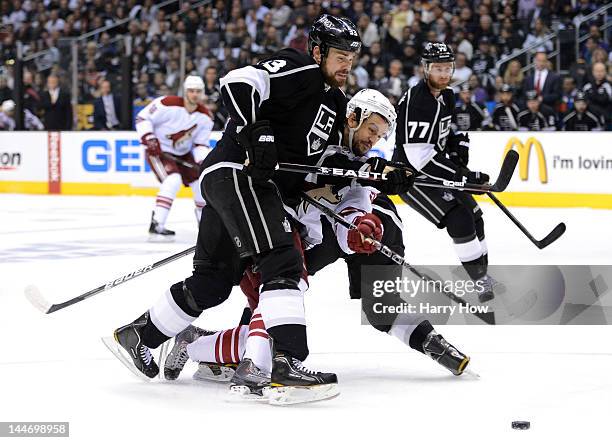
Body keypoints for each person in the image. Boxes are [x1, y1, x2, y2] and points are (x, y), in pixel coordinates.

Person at [105, 15, 408, 405]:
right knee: (283, 262)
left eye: (352, 55)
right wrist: (255, 131)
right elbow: (237, 82)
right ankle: (285, 364)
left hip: (233, 183)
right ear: (317, 51)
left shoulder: (332, 103)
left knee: (213, 281)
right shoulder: (302, 70)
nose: (347, 63)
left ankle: (139, 335)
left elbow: (326, 165)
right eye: (339, 55)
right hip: (239, 173)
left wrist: (374, 174)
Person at [162, 90, 468, 397]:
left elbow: (353, 210)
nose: (374, 139)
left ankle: (200, 346)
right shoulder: (315, 134)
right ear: (354, 117)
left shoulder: (360, 169)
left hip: (295, 238)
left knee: (272, 313)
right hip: (260, 225)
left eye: (380, 135)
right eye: (372, 130)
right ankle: (246, 364)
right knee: (274, 303)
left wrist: (359, 229)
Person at [392, 42, 498, 303]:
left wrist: (457, 143)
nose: (443, 73)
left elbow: (442, 133)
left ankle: (482, 275)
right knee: (459, 217)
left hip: (434, 169)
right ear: (425, 68)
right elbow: (419, 157)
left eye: (447, 68)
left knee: (475, 216)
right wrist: (463, 177)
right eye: (437, 68)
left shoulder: (447, 95)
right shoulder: (419, 101)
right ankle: (480, 282)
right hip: (412, 178)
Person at [135, 75, 213, 240]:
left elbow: (201, 144)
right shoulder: (166, 103)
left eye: (198, 91)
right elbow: (143, 117)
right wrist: (149, 138)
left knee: (200, 182)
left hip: (183, 153)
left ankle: (205, 224)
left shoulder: (205, 117)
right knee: (173, 180)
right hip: (159, 150)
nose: (194, 94)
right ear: (185, 91)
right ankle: (157, 223)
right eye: (191, 91)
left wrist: (202, 162)